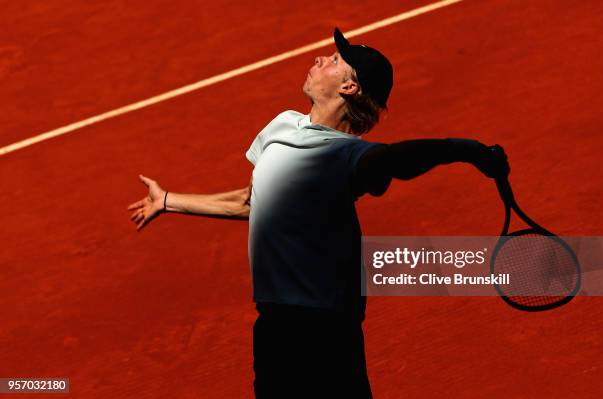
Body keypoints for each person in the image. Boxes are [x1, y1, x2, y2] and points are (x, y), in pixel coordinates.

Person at [128, 28, 509, 398]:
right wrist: (169, 201)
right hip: (275, 325)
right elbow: (255, 199)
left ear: (349, 87)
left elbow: (396, 160)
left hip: (324, 330)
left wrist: (464, 149)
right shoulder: (283, 125)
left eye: (334, 60)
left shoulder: (347, 156)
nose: (319, 58)